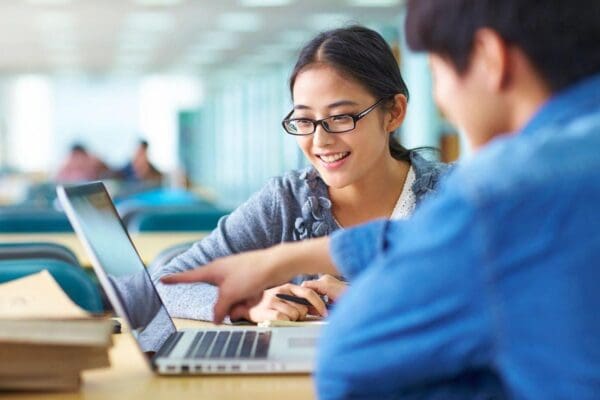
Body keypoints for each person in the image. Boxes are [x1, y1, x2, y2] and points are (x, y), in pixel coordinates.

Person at [162, 1, 600, 398]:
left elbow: (348, 369)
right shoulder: (564, 167)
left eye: (439, 72)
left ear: (489, 58)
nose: (443, 99)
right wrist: (273, 276)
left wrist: (372, 293)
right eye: (304, 121)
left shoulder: (500, 192)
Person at [152, 26, 449, 323]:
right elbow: (167, 283)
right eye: (304, 120)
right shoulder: (285, 202)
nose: (320, 141)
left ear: (394, 112)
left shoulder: (457, 195)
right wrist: (246, 305)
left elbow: (490, 310)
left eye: (340, 117)